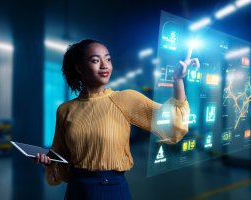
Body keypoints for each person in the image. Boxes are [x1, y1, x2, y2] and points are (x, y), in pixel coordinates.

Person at [36, 39, 199, 199]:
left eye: (108, 59)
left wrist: (177, 80)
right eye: (95, 60)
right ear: (79, 68)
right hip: (77, 190)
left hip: (112, 189)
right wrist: (49, 161)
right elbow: (60, 156)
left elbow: (171, 123)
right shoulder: (65, 110)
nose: (104, 65)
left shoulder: (125, 99)